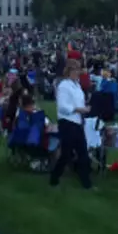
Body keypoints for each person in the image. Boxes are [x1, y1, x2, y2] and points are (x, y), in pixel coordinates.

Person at [49, 60, 93, 190]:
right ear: (69, 71)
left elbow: (79, 102)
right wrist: (79, 109)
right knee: (66, 154)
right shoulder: (64, 86)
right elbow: (63, 107)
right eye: (75, 70)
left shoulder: (77, 86)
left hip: (77, 122)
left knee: (83, 152)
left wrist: (84, 108)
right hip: (67, 123)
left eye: (79, 70)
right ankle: (54, 177)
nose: (78, 73)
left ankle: (86, 183)